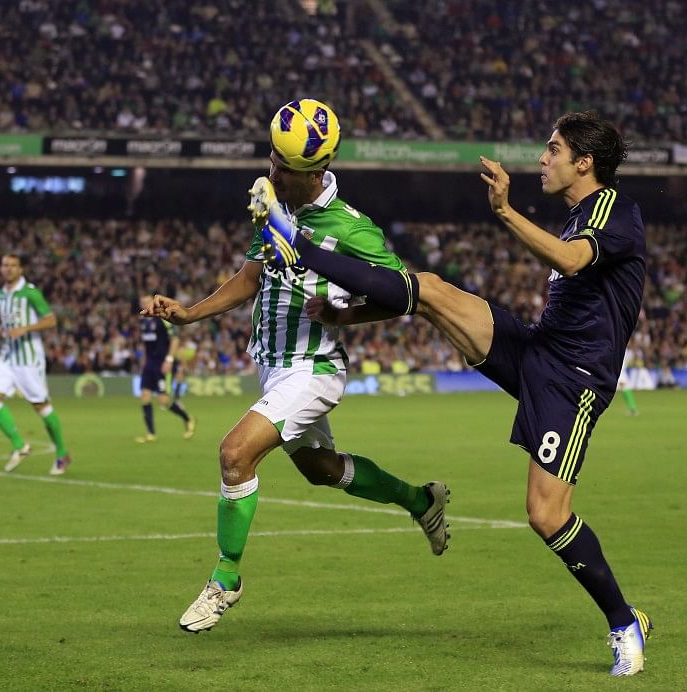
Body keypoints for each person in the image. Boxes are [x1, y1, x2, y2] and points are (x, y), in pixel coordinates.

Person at [259, 111, 652, 676]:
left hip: (575, 379)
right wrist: (347, 319)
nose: (542, 158)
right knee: (433, 292)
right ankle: (298, 243)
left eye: (553, 148)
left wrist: (505, 212)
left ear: (584, 163)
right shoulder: (577, 215)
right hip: (539, 350)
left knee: (545, 515)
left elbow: (571, 261)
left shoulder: (613, 209)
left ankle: (623, 623)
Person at [143, 98, 449, 634]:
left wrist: (342, 313)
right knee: (321, 470)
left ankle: (225, 580)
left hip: (314, 368)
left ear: (317, 173)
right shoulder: (276, 208)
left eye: (284, 167)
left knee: (234, 455)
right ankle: (421, 500)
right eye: (272, 159)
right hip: (273, 367)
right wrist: (189, 313)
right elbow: (252, 275)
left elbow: (404, 295)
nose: (272, 171)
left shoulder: (353, 231)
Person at [0, 253, 71, 475]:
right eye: (5, 265)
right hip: (7, 356)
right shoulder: (1, 295)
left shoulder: (31, 292)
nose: (8, 269)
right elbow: (7, 323)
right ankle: (19, 445)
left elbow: (51, 320)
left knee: (40, 406)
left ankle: (62, 453)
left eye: (13, 265)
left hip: (28, 358)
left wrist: (26, 328)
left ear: (20, 269)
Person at [135, 294, 196, 443]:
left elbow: (175, 338)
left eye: (146, 301)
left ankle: (188, 419)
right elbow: (146, 344)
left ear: (152, 302)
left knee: (164, 401)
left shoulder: (163, 319)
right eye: (141, 302)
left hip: (162, 363)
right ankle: (151, 433)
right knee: (145, 396)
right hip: (149, 364)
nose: (144, 304)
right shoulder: (143, 321)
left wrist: (169, 360)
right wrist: (144, 360)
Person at [617, 345, 639, 416]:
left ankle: (633, 409)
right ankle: (633, 409)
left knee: (624, 388)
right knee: (625, 389)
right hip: (621, 372)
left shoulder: (620, 350)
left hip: (619, 372)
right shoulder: (627, 352)